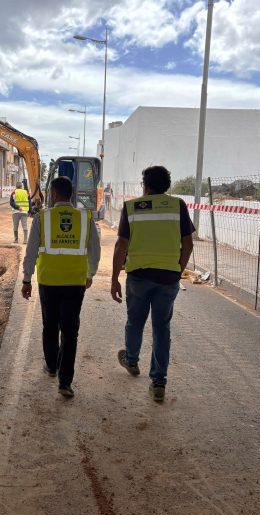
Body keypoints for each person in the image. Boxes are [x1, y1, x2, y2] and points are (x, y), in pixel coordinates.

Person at [110, 166, 194, 403]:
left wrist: (115, 277)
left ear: (145, 185)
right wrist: (177, 269)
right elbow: (188, 244)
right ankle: (158, 383)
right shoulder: (178, 206)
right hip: (168, 278)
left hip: (138, 276)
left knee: (134, 322)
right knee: (161, 328)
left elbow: (121, 246)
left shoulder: (132, 207)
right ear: (167, 185)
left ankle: (132, 360)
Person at [22, 176, 101, 398]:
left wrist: (27, 280)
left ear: (54, 194)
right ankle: (65, 382)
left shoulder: (42, 217)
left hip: (49, 282)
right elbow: (94, 251)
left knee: (50, 325)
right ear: (71, 194)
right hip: (75, 283)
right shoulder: (85, 218)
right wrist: (89, 274)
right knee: (70, 331)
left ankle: (51, 367)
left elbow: (31, 253)